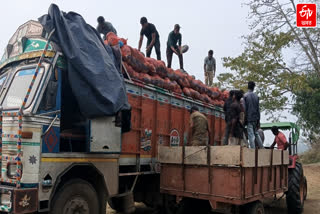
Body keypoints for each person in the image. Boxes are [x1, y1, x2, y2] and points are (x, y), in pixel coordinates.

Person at [244, 81, 264, 149]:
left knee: (251, 135)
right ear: (254, 87)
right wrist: (258, 120)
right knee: (256, 134)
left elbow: (244, 109)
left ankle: (252, 149)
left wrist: (244, 119)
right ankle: (262, 148)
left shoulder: (245, 96)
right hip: (255, 118)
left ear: (248, 86)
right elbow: (258, 109)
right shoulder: (256, 96)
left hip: (249, 118)